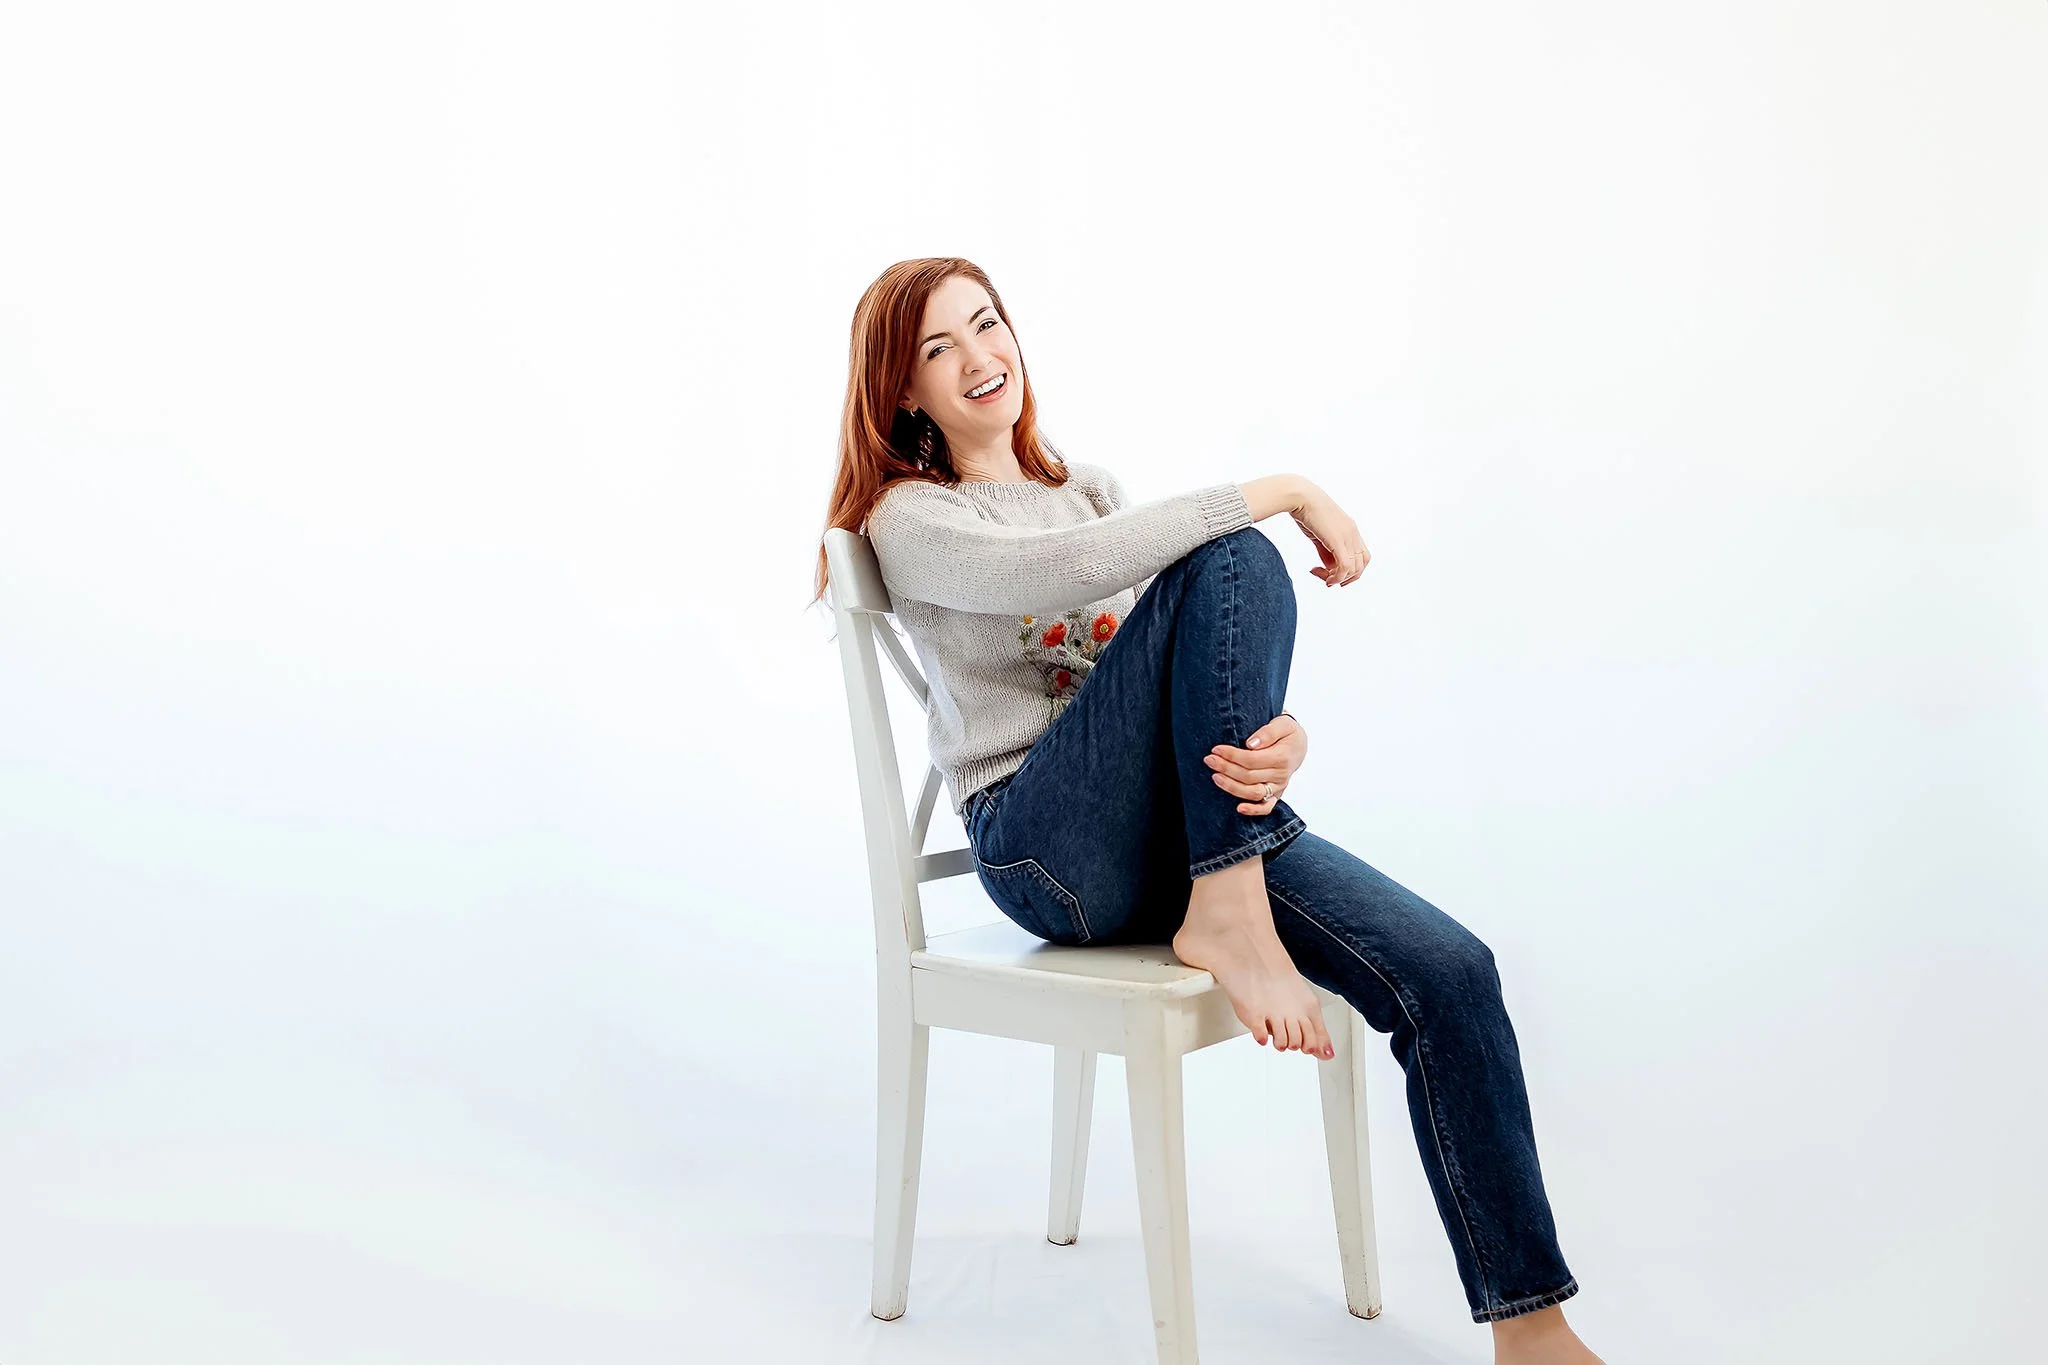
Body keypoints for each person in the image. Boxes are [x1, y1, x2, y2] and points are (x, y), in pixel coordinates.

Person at [811, 258, 1604, 1364]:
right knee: (1235, 545)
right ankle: (1229, 910)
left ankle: (1533, 1330)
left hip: (1184, 836)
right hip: (1045, 849)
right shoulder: (911, 517)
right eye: (938, 348)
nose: (979, 358)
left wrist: (1282, 737)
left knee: (1453, 973)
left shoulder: (1088, 486)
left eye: (987, 325)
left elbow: (1196, 660)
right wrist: (1282, 488)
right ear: (903, 389)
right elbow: (1057, 571)